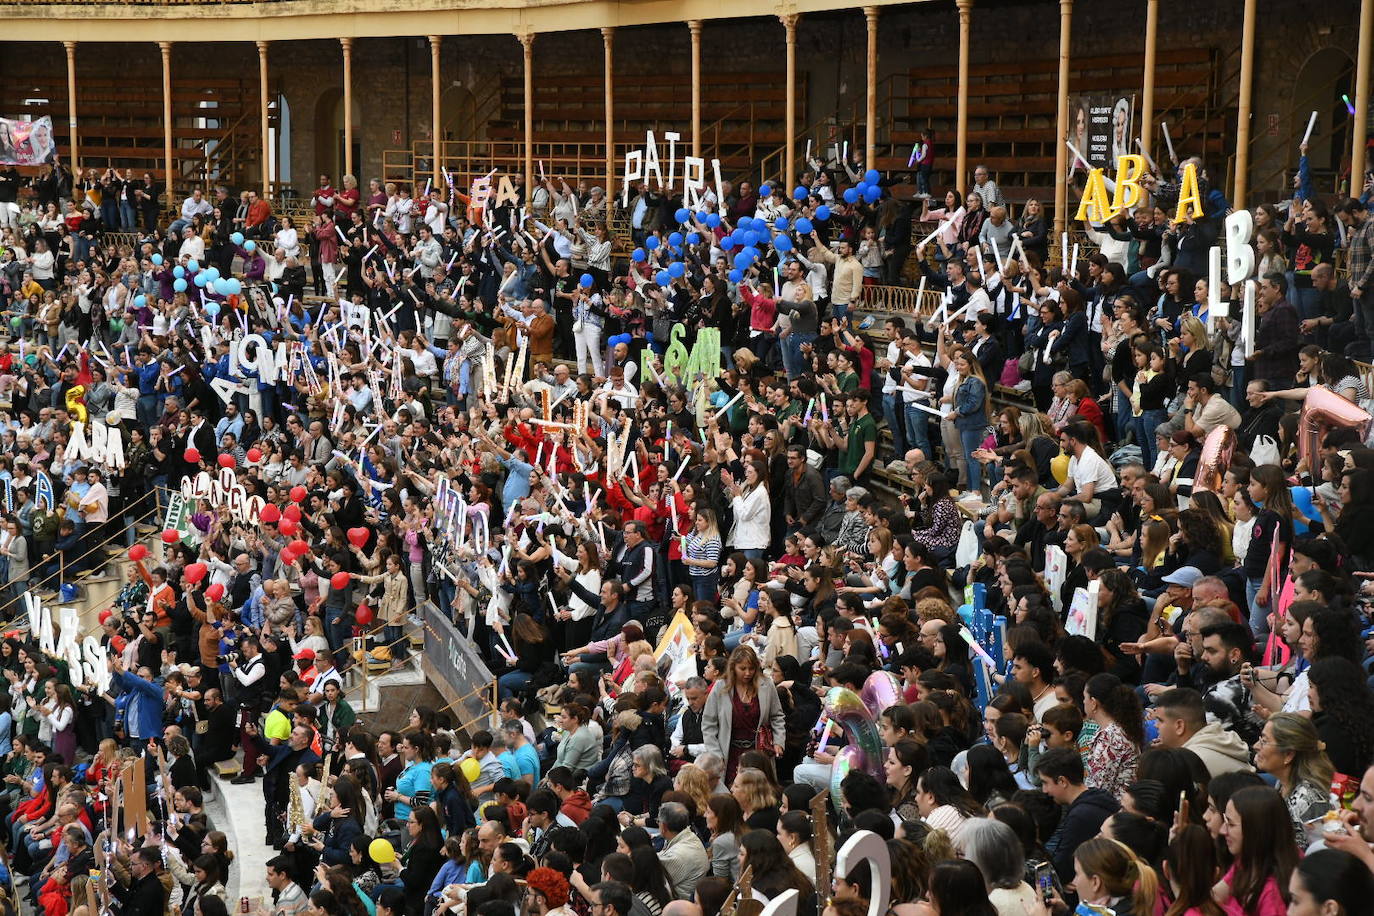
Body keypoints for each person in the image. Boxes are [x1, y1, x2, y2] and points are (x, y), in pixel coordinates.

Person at [700, 646, 785, 783]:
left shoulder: (767, 685)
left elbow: (777, 716)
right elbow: (708, 724)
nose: (747, 673)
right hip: (729, 752)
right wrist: (716, 753)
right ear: (733, 667)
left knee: (758, 792)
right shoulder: (720, 687)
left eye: (751, 668)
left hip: (759, 753)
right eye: (742, 668)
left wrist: (779, 741)